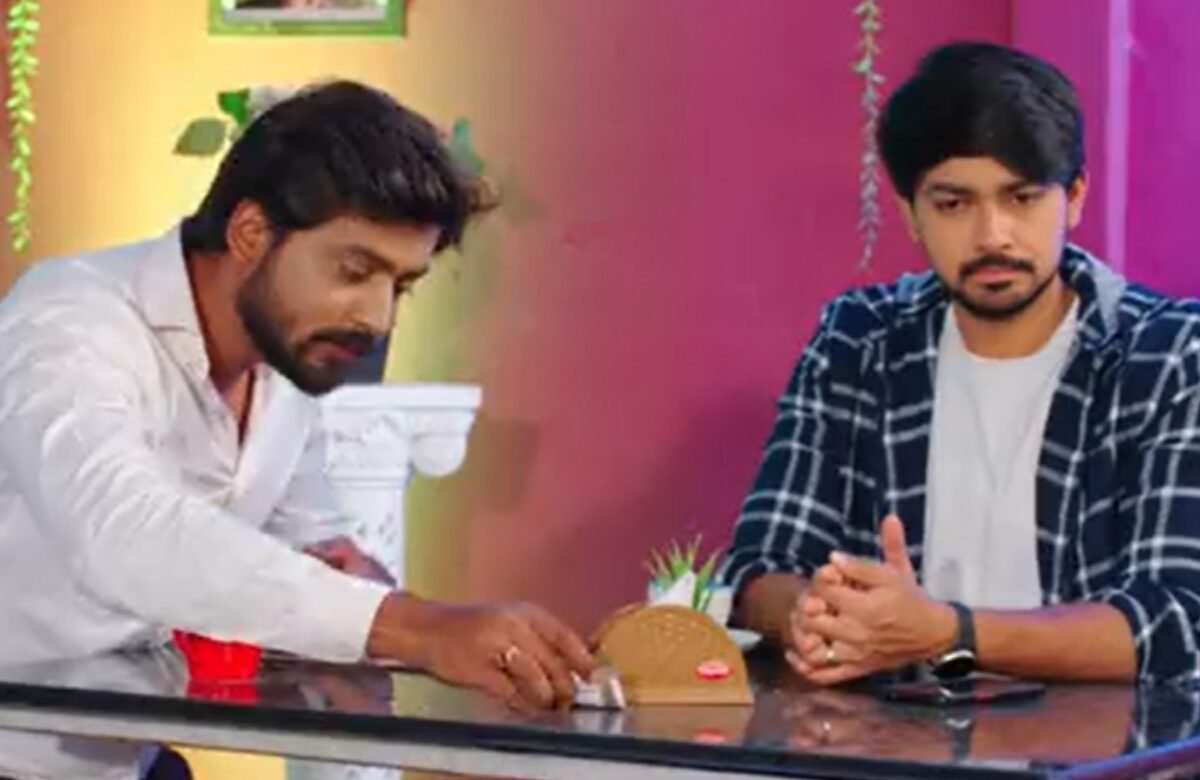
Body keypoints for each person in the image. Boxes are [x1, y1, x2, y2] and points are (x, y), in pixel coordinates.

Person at [0, 80, 591, 779]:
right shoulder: (70, 321)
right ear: (251, 233)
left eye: (400, 285)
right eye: (354, 270)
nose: (378, 319)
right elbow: (124, 534)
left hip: (128, 758)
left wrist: (363, 593)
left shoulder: (283, 363)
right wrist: (409, 624)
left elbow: (314, 553)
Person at [722, 42, 1200, 686]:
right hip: (892, 735)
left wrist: (946, 631)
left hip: (1100, 739)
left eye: (1021, 198)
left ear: (1074, 196)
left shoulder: (1169, 354)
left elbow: (1178, 621)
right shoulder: (858, 341)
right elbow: (758, 568)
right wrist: (820, 615)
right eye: (954, 205)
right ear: (909, 214)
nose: (992, 235)